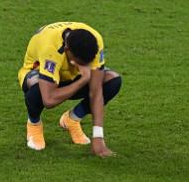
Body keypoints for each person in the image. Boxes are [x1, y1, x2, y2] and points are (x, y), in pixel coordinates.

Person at [18, 21, 122, 157]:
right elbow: (49, 100)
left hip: (73, 75)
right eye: (81, 61)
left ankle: (72, 119)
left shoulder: (95, 41)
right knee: (37, 89)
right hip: (42, 77)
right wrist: (84, 80)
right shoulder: (50, 48)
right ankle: (34, 123)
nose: (86, 64)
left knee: (112, 80)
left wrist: (98, 137)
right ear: (67, 50)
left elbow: (97, 92)